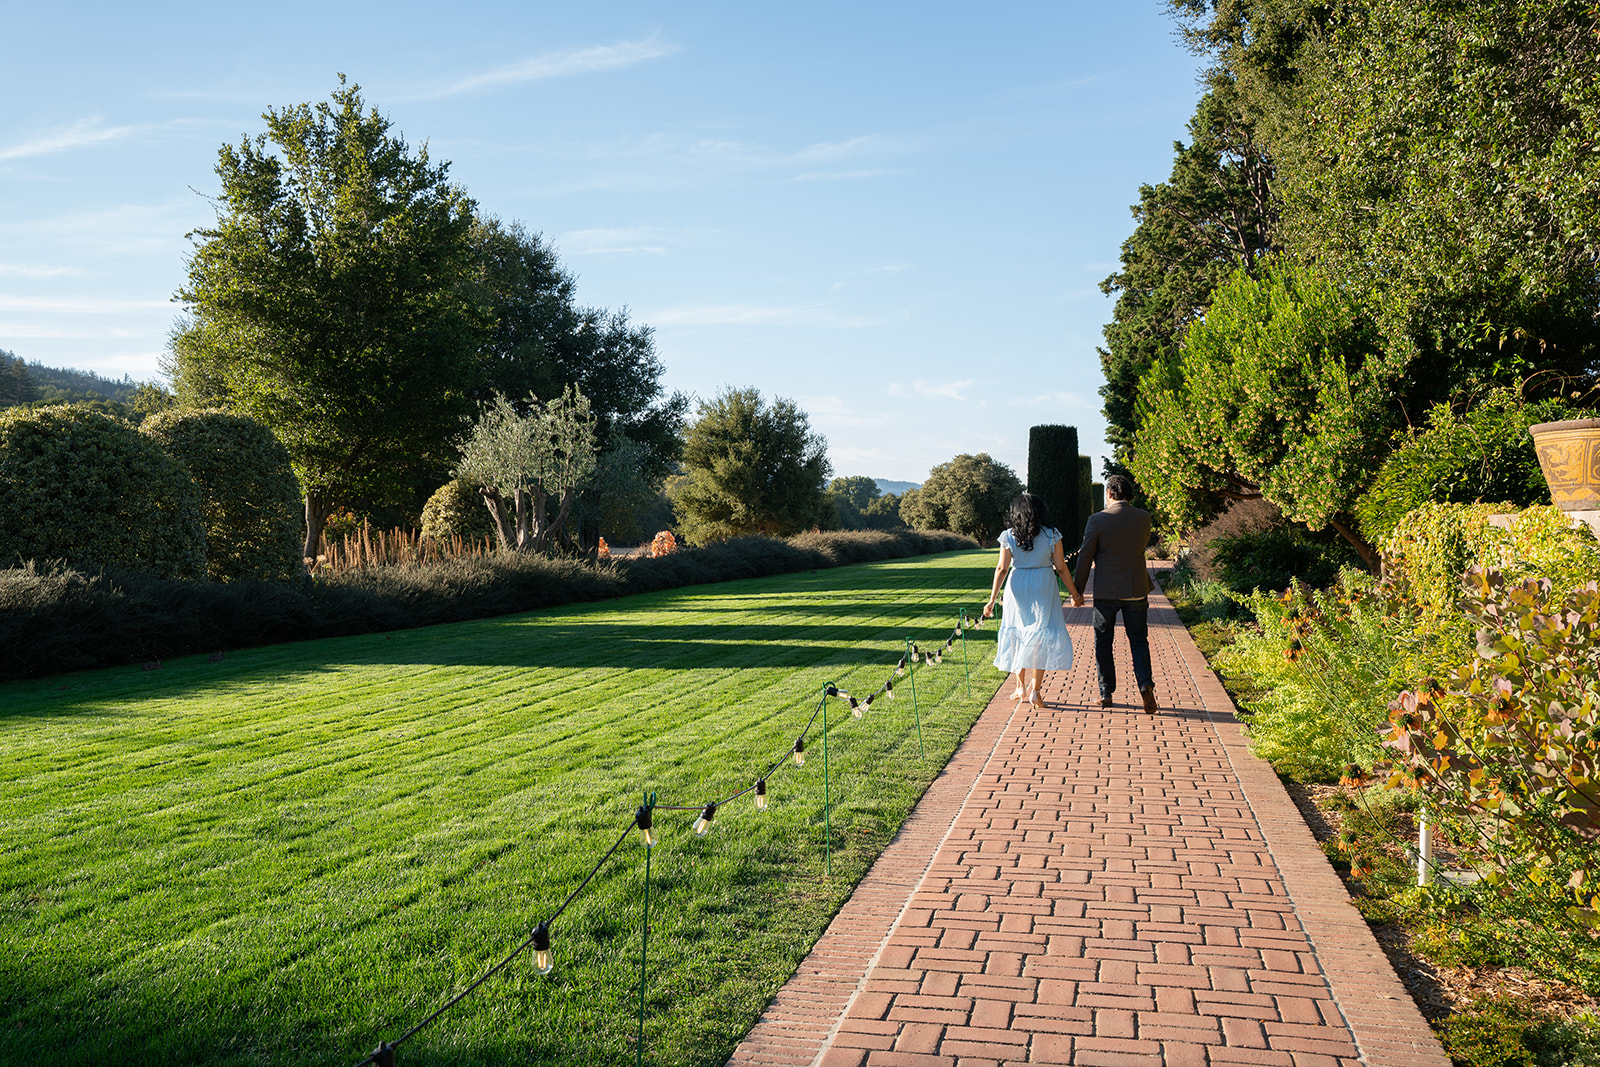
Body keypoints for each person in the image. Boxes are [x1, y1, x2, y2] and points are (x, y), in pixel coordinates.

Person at [981, 492, 1083, 708]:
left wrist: (991, 600)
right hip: (1043, 582)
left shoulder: (1008, 535)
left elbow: (1002, 568)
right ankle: (1035, 690)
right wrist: (1074, 594)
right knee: (1041, 633)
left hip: (1017, 582)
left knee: (1018, 632)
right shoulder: (1051, 534)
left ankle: (1020, 686)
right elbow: (1062, 568)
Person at [1073, 473, 1157, 713]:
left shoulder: (1097, 520)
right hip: (1136, 588)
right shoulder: (1144, 518)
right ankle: (1145, 685)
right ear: (1129, 494)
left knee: (1103, 642)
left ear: (1109, 494)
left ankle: (1105, 693)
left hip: (1106, 591)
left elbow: (1085, 557)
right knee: (1139, 641)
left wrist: (1077, 591)